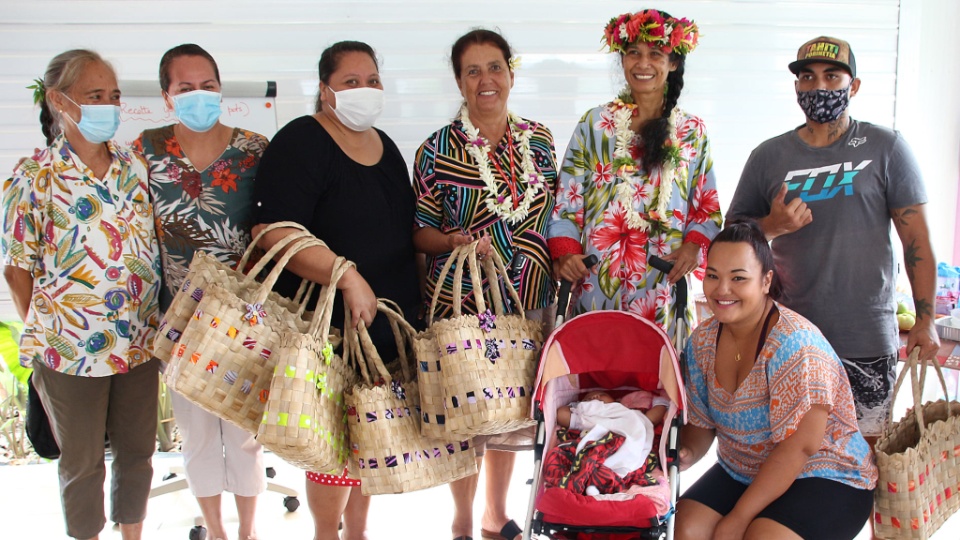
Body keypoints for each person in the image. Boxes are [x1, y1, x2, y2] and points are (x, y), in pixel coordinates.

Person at [726, 36, 939, 449]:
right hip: (788, 336)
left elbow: (918, 240)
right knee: (787, 452)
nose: (818, 87)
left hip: (865, 336)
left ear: (853, 85)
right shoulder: (768, 156)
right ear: (796, 86)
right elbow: (731, 240)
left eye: (831, 76)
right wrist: (771, 224)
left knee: (865, 459)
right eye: (807, 77)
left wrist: (926, 318)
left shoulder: (886, 148)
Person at [251, 40, 421, 540]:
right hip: (326, 327)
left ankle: (358, 533)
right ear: (325, 91)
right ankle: (327, 532)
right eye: (351, 82)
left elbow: (401, 228)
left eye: (372, 80)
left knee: (370, 437)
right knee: (331, 446)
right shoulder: (301, 142)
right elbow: (273, 232)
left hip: (384, 326)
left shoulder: (386, 147)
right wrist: (346, 276)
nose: (364, 91)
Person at [1, 49, 161, 540]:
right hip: (68, 350)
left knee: (138, 452)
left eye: (114, 96)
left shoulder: (134, 165)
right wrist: (53, 330)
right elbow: (16, 268)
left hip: (138, 341)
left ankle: (132, 533)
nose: (109, 107)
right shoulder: (33, 177)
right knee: (83, 461)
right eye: (95, 96)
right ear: (58, 100)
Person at [411, 28, 558, 540]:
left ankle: (496, 515)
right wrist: (451, 241)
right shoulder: (436, 150)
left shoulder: (539, 140)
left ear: (511, 74)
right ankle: (462, 522)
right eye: (472, 71)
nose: (485, 80)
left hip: (529, 301)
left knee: (511, 412)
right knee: (470, 419)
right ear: (459, 81)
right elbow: (419, 231)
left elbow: (553, 216)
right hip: (466, 307)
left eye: (494, 67)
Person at [131, 43, 268, 540]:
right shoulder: (145, 150)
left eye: (207, 86)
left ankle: (249, 532)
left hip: (246, 318)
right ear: (168, 97)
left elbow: (272, 226)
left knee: (245, 434)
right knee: (197, 437)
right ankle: (216, 530)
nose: (198, 96)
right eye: (185, 88)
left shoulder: (255, 148)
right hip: (178, 319)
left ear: (220, 87)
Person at [675, 220, 877, 540]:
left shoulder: (795, 344)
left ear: (766, 280)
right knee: (688, 526)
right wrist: (685, 452)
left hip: (825, 472)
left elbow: (799, 449)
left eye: (738, 278)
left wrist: (738, 518)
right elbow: (702, 424)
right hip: (742, 468)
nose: (722, 289)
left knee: (762, 536)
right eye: (712, 275)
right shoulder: (701, 341)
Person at [548, 9, 722, 341]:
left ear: (672, 63)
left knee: (660, 387)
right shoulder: (594, 124)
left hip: (664, 292)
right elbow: (566, 202)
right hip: (597, 285)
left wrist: (691, 248)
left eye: (655, 54)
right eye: (633, 53)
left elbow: (707, 207)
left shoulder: (692, 132)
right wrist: (568, 253)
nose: (643, 64)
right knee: (595, 387)